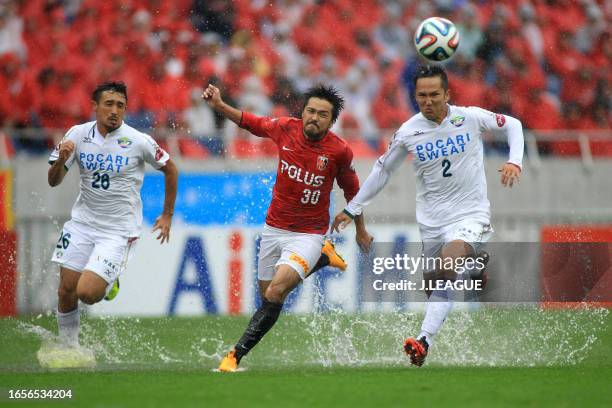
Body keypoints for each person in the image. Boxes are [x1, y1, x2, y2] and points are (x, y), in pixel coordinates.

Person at [332, 65, 524, 367]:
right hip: (432, 222)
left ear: (447, 94)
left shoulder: (469, 117)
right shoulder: (409, 131)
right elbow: (383, 170)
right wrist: (352, 208)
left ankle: (423, 341)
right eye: (422, 95)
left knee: (448, 267)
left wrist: (515, 162)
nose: (428, 100)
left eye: (435, 94)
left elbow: (512, 124)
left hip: (470, 214)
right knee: (433, 285)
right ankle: (473, 266)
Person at [203, 83, 373, 372]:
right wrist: (219, 106)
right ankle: (322, 258)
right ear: (303, 112)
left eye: (322, 114)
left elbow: (353, 191)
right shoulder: (285, 128)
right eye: (310, 111)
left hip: (308, 234)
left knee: (275, 294)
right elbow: (252, 122)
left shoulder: (339, 151)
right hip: (274, 229)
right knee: (267, 294)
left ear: (331, 122)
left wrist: (360, 228)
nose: (314, 118)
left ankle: (235, 355)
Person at [44, 81, 178, 368]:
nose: (115, 111)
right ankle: (69, 350)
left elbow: (170, 168)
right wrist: (61, 161)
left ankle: (109, 280)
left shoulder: (138, 140)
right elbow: (53, 181)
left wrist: (167, 214)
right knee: (66, 289)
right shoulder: (77, 135)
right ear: (95, 106)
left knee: (87, 293)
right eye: (109, 104)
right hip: (82, 224)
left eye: (120, 105)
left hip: (117, 231)